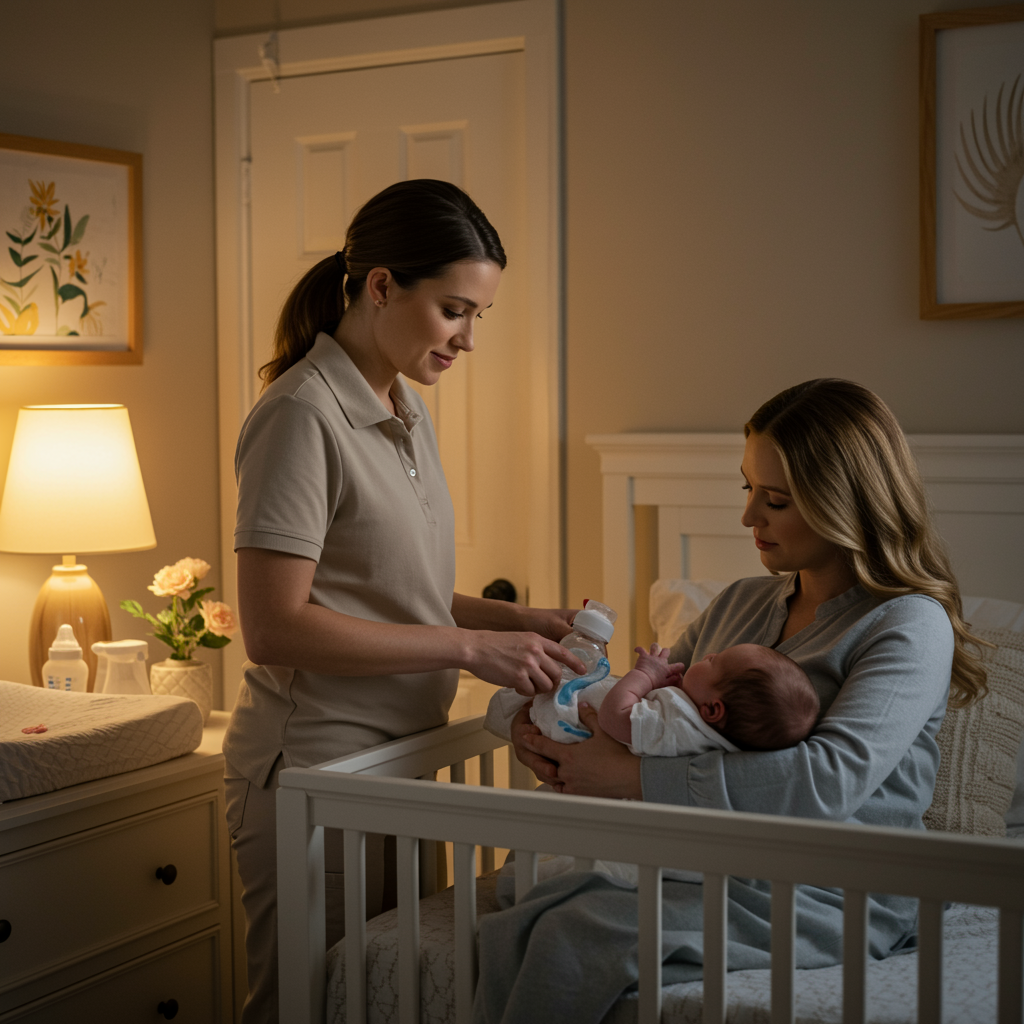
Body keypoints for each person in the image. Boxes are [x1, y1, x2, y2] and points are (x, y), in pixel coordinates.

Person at [473, 378, 988, 1024]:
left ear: (845, 501)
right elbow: (645, 717)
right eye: (748, 490)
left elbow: (829, 779)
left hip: (832, 888)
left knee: (572, 934)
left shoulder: (907, 624)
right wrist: (547, 736)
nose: (749, 518)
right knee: (521, 901)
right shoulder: (742, 603)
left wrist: (631, 777)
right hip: (712, 859)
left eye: (775, 500)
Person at [221, 179, 584, 1024]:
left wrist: (519, 622)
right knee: (307, 1008)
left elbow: (392, 591)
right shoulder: (300, 417)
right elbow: (275, 628)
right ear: (381, 286)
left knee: (383, 1003)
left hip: (400, 761)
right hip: (317, 767)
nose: (466, 338)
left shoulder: (403, 408)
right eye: (454, 310)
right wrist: (466, 650)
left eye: (476, 318)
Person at [487, 641, 819, 754]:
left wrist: (645, 676)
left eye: (713, 661)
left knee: (552, 689)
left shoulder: (679, 724)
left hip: (579, 729)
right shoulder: (699, 727)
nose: (709, 653)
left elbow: (616, 717)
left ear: (713, 708)